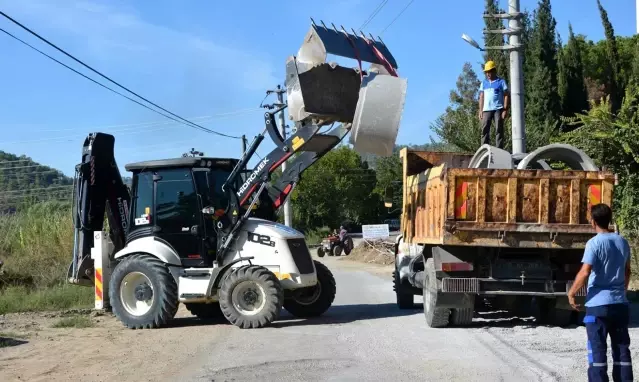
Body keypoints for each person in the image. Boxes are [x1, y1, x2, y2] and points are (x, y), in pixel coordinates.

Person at [568, 203, 633, 382]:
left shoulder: (594, 243)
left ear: (593, 221)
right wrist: (622, 292)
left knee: (597, 351)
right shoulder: (622, 241)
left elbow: (585, 271)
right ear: (609, 220)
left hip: (597, 306)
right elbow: (628, 271)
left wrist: (572, 293)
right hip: (620, 304)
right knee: (621, 350)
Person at [478, 60, 509, 149]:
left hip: (498, 109)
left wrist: (505, 109)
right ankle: (484, 148)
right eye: (486, 72)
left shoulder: (501, 82)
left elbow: (506, 95)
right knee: (485, 129)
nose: (488, 74)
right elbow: (481, 96)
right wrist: (480, 110)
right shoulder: (483, 83)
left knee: (499, 129)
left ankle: (499, 149)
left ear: (494, 70)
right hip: (486, 109)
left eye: (490, 71)